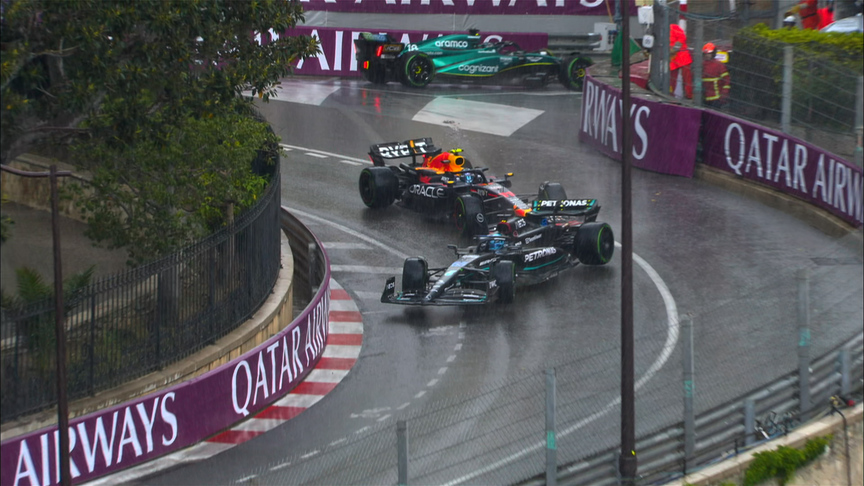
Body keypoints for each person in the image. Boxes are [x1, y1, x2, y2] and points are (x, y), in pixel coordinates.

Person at [701, 42, 731, 108]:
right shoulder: (701, 65)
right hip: (704, 98)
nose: (707, 55)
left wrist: (724, 94)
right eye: (706, 54)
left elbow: (726, 80)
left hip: (717, 99)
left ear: (713, 53)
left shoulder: (719, 65)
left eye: (709, 53)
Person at [669, 23, 693, 100]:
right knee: (672, 79)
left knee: (687, 78)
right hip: (673, 57)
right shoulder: (661, 30)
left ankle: (689, 95)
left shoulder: (673, 27)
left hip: (681, 56)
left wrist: (675, 49)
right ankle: (670, 95)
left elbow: (682, 38)